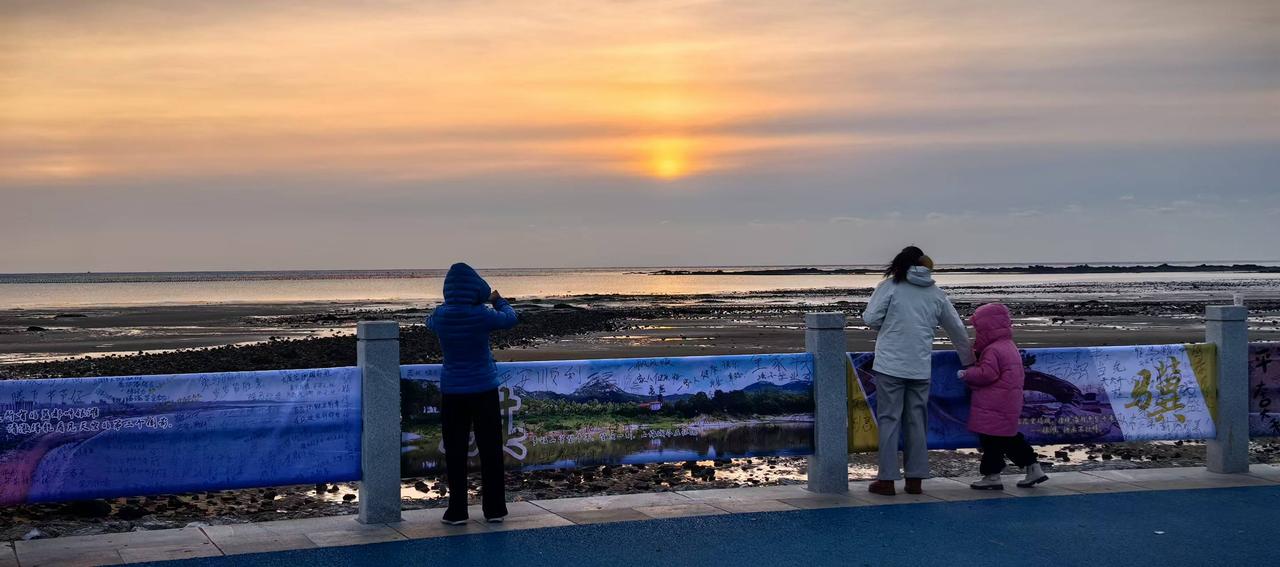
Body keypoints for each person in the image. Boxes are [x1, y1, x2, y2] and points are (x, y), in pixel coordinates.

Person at [863, 246, 975, 496]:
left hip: (890, 365)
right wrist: (968, 360)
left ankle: (887, 480)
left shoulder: (890, 286)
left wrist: (889, 325)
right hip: (920, 367)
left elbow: (871, 319)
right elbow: (956, 328)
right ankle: (915, 480)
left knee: (889, 421)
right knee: (916, 422)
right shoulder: (936, 293)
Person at [427, 262, 519, 524]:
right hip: (484, 388)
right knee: (490, 449)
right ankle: (494, 510)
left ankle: (456, 511)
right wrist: (497, 300)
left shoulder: (442, 315)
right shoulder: (482, 315)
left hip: (453, 390)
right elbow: (511, 318)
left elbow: (429, 322)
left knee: (455, 452)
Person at [959, 302, 1049, 490]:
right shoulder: (1008, 346)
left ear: (986, 328)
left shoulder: (993, 350)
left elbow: (987, 374)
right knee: (1007, 436)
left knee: (992, 440)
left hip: (993, 404)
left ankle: (993, 475)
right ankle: (1032, 467)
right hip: (1007, 402)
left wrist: (966, 374)